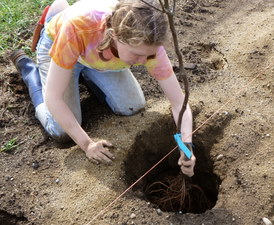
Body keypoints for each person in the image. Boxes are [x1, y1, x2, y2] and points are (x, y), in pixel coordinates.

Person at [10, 0, 196, 177]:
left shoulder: (149, 44)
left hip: (98, 57)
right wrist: (87, 144)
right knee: (61, 131)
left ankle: (86, 74)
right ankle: (30, 70)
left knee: (132, 105)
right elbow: (53, 97)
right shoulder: (77, 28)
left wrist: (186, 144)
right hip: (61, 43)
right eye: (137, 54)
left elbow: (179, 102)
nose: (143, 62)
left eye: (149, 55)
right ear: (114, 35)